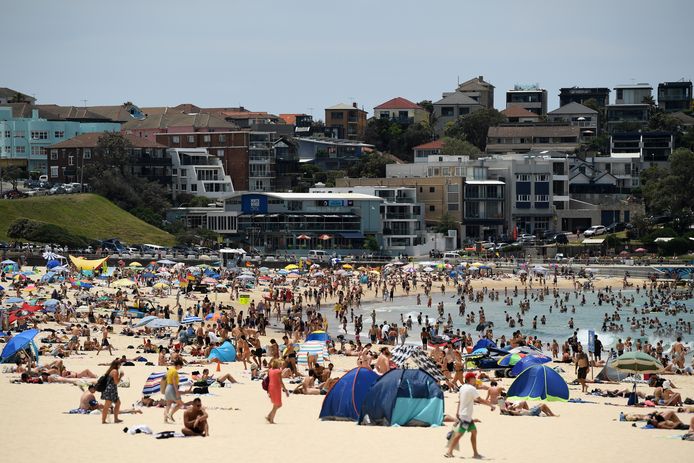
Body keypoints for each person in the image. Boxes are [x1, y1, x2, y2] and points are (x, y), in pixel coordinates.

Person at [445, 372, 495, 459]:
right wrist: (490, 405)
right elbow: (479, 400)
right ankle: (449, 452)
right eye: (474, 378)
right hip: (465, 416)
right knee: (459, 435)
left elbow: (460, 400)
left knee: (474, 432)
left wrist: (457, 412)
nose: (475, 380)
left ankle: (475, 453)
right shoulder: (472, 388)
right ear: (470, 379)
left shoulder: (463, 387)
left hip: (464, 415)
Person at [265, 359, 289, 424]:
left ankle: (269, 416)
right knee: (277, 404)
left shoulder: (270, 370)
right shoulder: (278, 371)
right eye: (280, 364)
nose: (281, 365)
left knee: (278, 404)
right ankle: (271, 420)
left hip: (270, 387)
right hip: (276, 388)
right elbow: (281, 382)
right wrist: (286, 390)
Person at [100, 359, 122, 424]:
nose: (120, 366)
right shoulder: (115, 371)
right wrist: (120, 376)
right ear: (117, 365)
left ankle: (116, 419)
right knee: (107, 406)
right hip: (110, 390)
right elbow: (116, 382)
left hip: (112, 390)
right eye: (120, 364)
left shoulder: (111, 370)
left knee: (118, 403)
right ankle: (103, 420)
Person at [164, 359, 184, 423]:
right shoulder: (175, 371)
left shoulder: (169, 370)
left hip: (167, 387)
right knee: (180, 404)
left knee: (168, 404)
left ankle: (165, 419)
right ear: (178, 365)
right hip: (172, 388)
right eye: (181, 366)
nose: (181, 368)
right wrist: (177, 391)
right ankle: (170, 414)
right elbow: (174, 382)